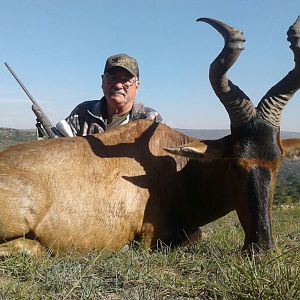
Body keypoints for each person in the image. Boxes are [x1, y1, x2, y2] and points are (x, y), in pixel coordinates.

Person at [66, 53, 163, 136]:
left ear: (137, 86)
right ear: (102, 81)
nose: (118, 85)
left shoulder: (151, 121)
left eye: (126, 80)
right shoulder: (83, 113)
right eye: (112, 78)